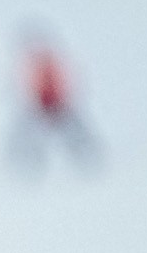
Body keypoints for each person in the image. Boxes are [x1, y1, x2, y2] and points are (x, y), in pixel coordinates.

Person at [9, 33, 101, 171]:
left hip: (58, 104)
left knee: (74, 129)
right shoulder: (34, 66)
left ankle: (85, 151)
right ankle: (25, 157)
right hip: (42, 105)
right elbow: (30, 87)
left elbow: (62, 83)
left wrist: (61, 100)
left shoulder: (50, 64)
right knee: (27, 132)